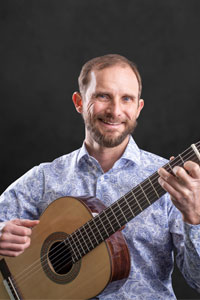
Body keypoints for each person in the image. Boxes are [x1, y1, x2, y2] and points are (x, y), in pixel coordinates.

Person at [0, 54, 200, 299]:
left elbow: (197, 280)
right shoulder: (45, 178)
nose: (115, 111)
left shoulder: (175, 185)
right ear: (79, 102)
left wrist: (194, 218)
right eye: (103, 96)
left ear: (138, 108)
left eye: (127, 99)